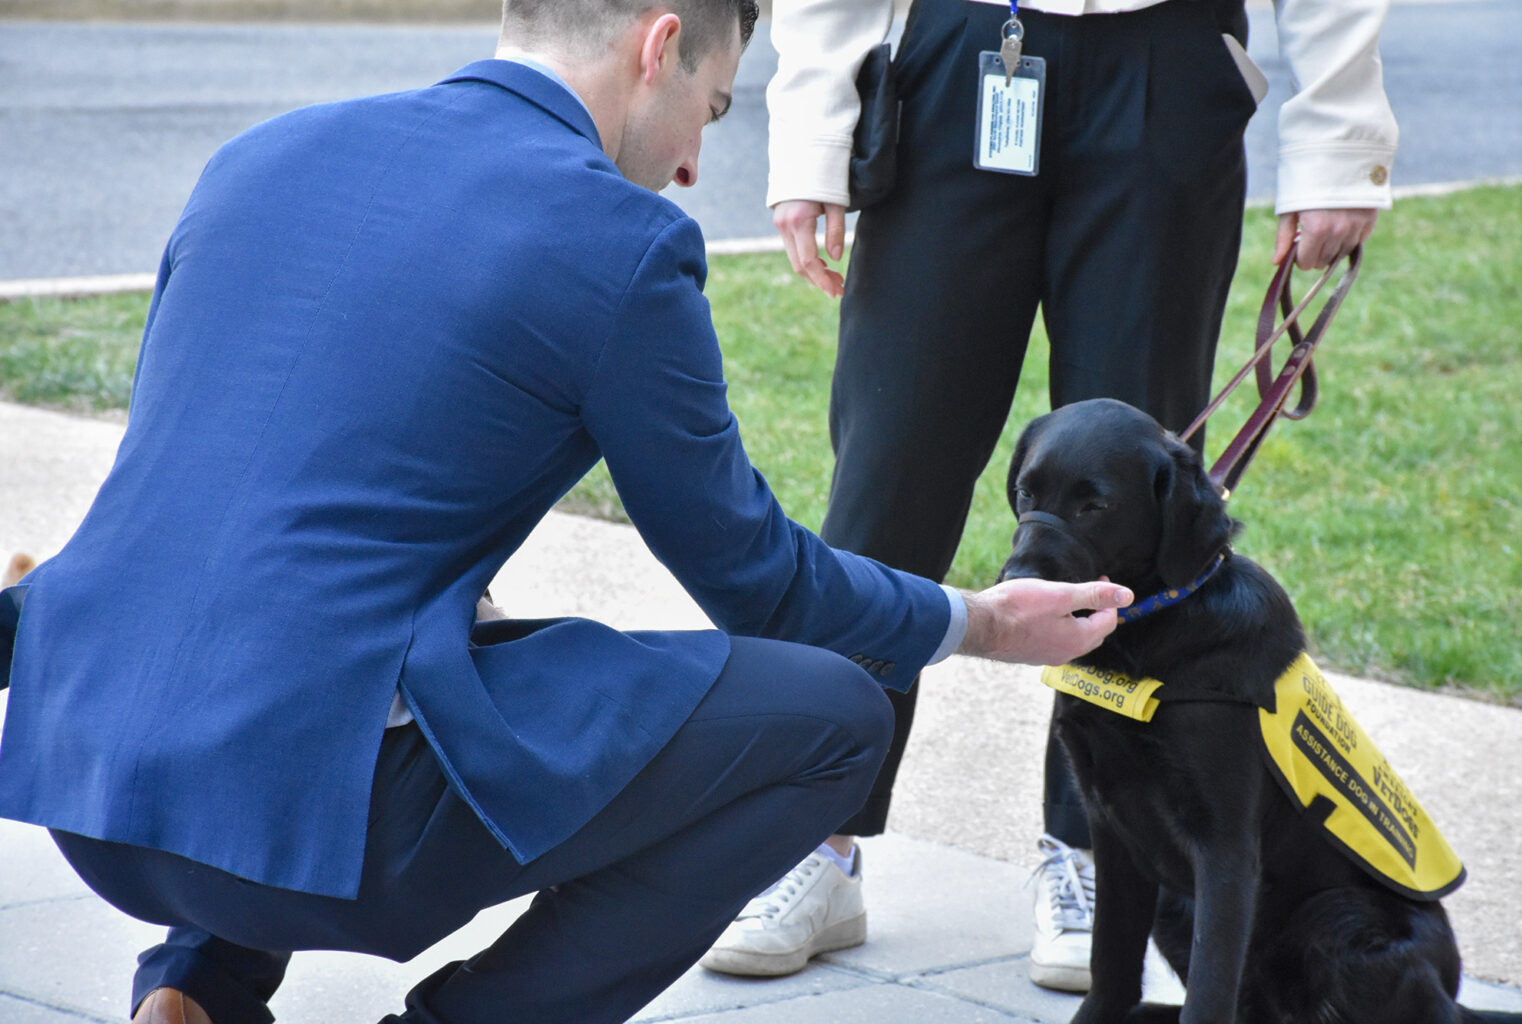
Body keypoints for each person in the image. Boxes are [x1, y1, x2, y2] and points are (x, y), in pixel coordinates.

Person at [0, 2, 1136, 1023]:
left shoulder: (258, 159)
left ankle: (197, 986)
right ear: (657, 46)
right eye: (713, 103)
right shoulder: (618, 242)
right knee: (835, 716)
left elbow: (211, 501)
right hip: (305, 833)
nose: (695, 161)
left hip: (86, 779)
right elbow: (757, 579)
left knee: (341, 585)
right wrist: (981, 622)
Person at [701, 0, 1396, 990]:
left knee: (1130, 519)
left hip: (1168, 64)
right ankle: (816, 837)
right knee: (890, 485)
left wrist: (1340, 139)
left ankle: (1091, 856)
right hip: (955, 60)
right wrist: (816, 133)